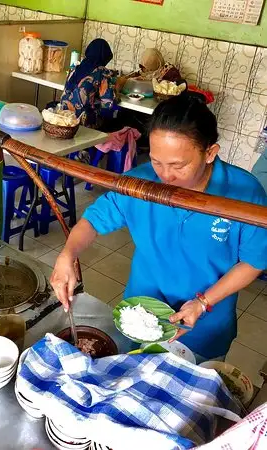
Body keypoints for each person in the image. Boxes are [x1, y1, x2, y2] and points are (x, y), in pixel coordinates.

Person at [51, 94, 267, 363]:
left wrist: (202, 303)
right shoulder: (140, 184)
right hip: (141, 313)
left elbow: (254, 261)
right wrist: (67, 255)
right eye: (156, 161)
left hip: (204, 326)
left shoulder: (244, 195)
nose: (165, 175)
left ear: (210, 153)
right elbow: (93, 221)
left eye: (178, 165)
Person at [60, 38, 121, 129]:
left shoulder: (75, 68)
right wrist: (117, 91)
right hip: (83, 120)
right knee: (119, 113)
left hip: (63, 116)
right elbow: (108, 103)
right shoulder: (102, 71)